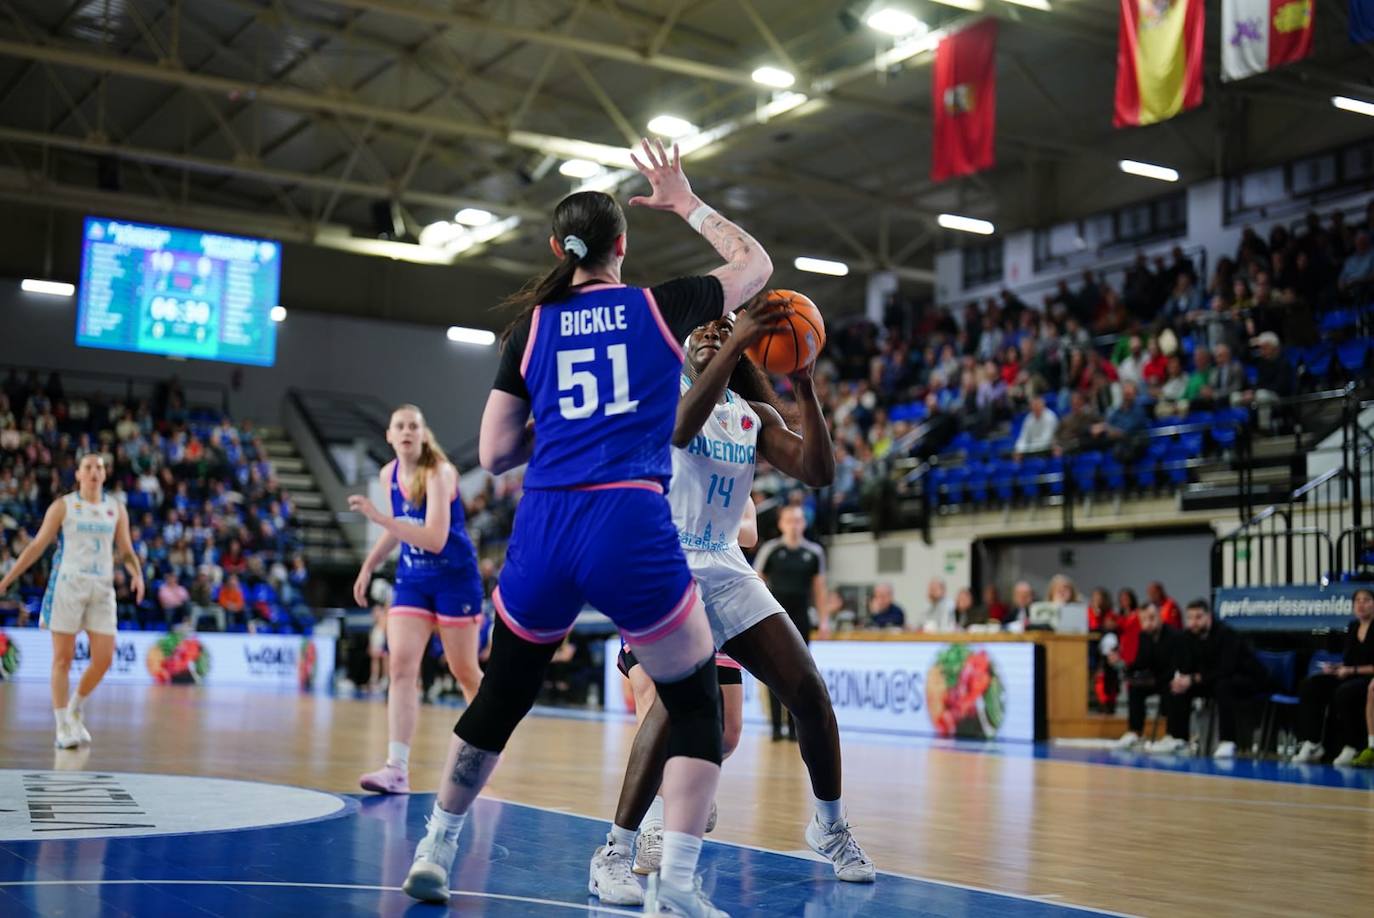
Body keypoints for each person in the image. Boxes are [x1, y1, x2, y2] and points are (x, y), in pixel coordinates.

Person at [401, 138, 773, 917]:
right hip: (629, 522)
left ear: (554, 249)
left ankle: (436, 845)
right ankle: (672, 884)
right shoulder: (656, 305)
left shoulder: (527, 330)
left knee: (502, 694)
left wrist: (568, 428)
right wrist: (686, 200)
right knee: (696, 699)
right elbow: (755, 269)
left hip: (546, 523)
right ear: (622, 246)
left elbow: (498, 452)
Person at [349, 404, 486, 795]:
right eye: (400, 426)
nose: (407, 431)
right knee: (401, 668)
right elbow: (400, 531)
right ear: (390, 436)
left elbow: (434, 537)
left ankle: (487, 745)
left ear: (424, 435)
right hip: (412, 579)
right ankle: (397, 768)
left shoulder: (441, 473)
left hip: (454, 579)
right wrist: (368, 565)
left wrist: (379, 517)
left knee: (465, 673)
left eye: (414, 425)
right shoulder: (389, 473)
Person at [0, 454, 144, 748]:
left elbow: (126, 550)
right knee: (62, 659)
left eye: (99, 467)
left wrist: (137, 574)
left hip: (102, 589)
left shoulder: (115, 508)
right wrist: (6, 580)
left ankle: (76, 706)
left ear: (105, 474)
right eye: (88, 467)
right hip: (67, 586)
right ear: (78, 474)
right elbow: (37, 545)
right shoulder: (63, 506)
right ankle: (62, 726)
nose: (94, 471)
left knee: (103, 659)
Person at [1148, 599, 1269, 759]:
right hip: (1212, 679)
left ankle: (1228, 741)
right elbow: (1185, 666)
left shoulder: (1226, 634)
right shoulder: (1187, 637)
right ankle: (1178, 738)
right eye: (1190, 618)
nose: (1194, 622)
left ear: (1209, 617)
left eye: (1198, 617)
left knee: (1223, 686)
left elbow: (1226, 669)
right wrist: (1182, 679)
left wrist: (1194, 678)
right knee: (1177, 686)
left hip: (1246, 679)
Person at [754, 505, 828, 740]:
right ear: (781, 524)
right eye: (789, 520)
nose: (794, 525)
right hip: (775, 617)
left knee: (801, 673)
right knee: (774, 672)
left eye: (798, 520)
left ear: (803, 524)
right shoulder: (771, 550)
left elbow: (820, 589)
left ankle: (796, 727)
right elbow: (755, 581)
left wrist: (824, 619)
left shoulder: (814, 552)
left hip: (801, 618)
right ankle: (776, 726)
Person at [1291, 587, 1374, 765]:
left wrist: (1351, 671)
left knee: (1344, 692)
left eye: (1366, 600)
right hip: (1351, 674)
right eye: (1357, 601)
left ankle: (1352, 745)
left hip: (1367, 678)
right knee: (1310, 685)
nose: (1361, 604)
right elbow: (1350, 660)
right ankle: (1312, 742)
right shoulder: (1353, 627)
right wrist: (1336, 668)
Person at [1112, 603, 1180, 747]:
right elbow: (1141, 662)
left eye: (1151, 618)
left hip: (1169, 679)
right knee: (1135, 688)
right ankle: (1135, 732)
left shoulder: (1174, 635)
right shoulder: (1144, 636)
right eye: (1143, 620)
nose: (1148, 623)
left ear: (1160, 617)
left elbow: (1175, 666)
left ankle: (1172, 734)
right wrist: (1125, 668)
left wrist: (1156, 680)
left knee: (1172, 689)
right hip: (1154, 680)